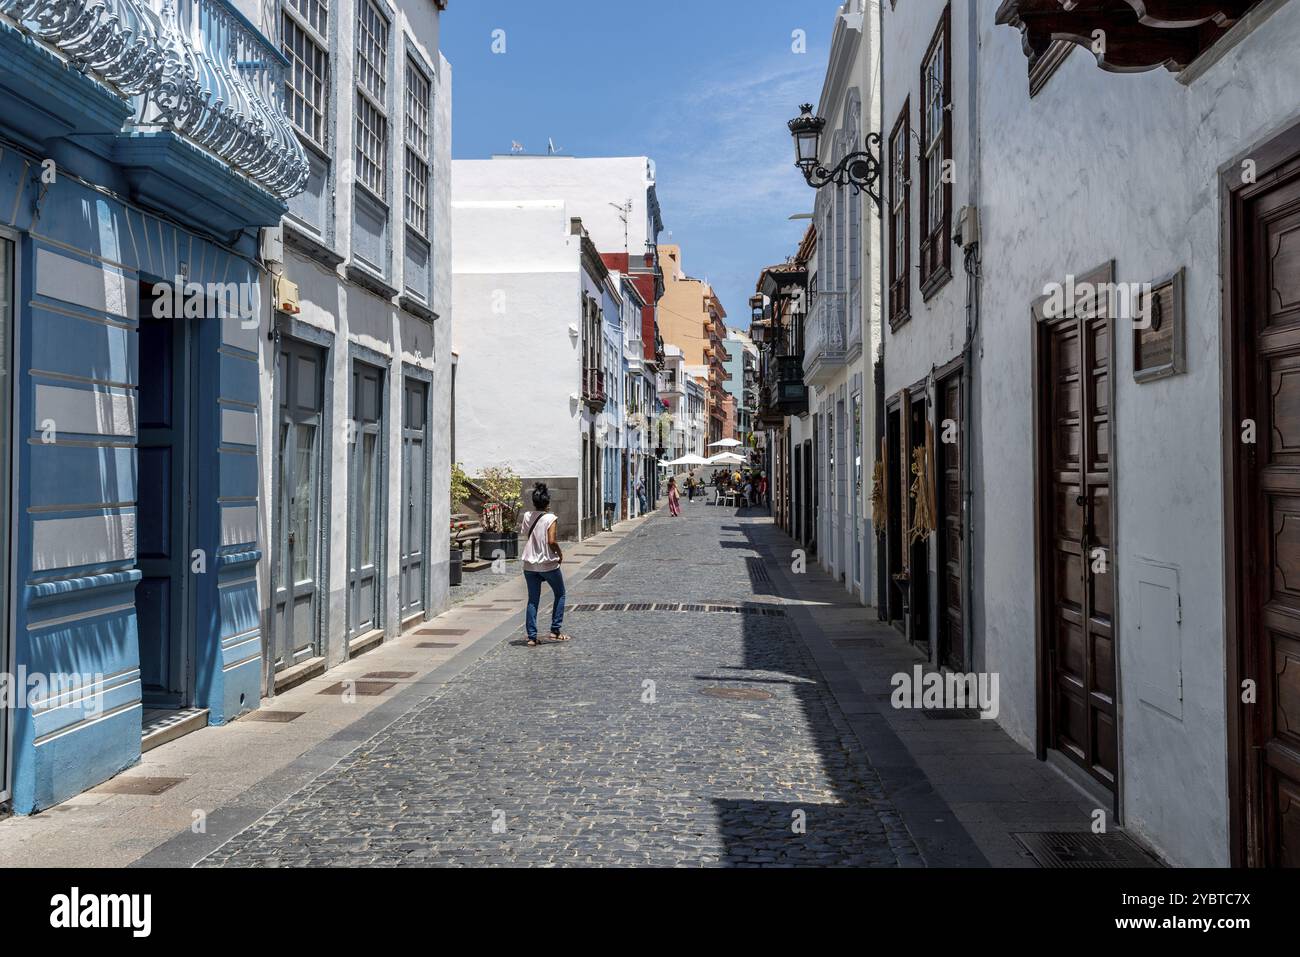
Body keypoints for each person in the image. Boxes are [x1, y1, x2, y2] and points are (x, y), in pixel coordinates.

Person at [518, 483, 571, 647]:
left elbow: (526, 534)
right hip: (548, 564)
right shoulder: (550, 518)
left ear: (534, 502)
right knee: (560, 594)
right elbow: (552, 541)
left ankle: (532, 637)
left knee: (533, 600)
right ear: (548, 503)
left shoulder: (527, 516)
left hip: (529, 564)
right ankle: (555, 631)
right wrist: (560, 554)